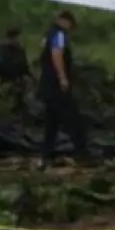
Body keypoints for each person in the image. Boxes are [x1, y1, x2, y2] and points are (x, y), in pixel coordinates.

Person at [38, 10, 88, 166]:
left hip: (47, 83)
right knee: (71, 116)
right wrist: (62, 77)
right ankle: (81, 151)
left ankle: (47, 152)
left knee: (52, 120)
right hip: (56, 83)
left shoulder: (49, 34)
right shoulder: (59, 35)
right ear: (65, 21)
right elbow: (56, 54)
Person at [0, 26, 32, 118]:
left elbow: (24, 67)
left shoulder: (19, 50)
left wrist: (29, 77)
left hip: (17, 81)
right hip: (3, 80)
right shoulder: (1, 50)